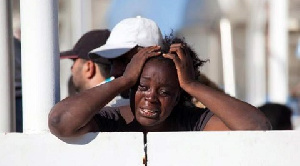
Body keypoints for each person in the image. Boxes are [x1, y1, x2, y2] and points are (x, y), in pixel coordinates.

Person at [48, 37, 271, 137]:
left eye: (165, 92)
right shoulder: (116, 119)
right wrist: (124, 80)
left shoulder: (190, 121)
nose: (151, 98)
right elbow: (60, 122)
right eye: (143, 87)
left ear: (177, 97)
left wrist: (192, 84)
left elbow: (257, 128)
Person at [88, 16, 163, 99]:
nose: (114, 72)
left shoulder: (174, 106)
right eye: (112, 63)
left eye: (126, 62)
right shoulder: (110, 105)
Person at [60, 29, 127, 106]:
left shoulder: (86, 111)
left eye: (74, 61)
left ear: (89, 68)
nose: (72, 68)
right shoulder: (127, 104)